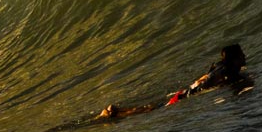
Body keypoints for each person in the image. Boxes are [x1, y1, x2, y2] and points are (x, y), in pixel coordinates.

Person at [98, 44, 250, 119]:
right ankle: (115, 114)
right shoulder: (226, 71)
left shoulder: (217, 66)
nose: (245, 56)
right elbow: (210, 80)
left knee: (153, 107)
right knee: (153, 110)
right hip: (186, 95)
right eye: (242, 54)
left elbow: (206, 78)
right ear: (235, 58)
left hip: (184, 92)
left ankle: (117, 111)